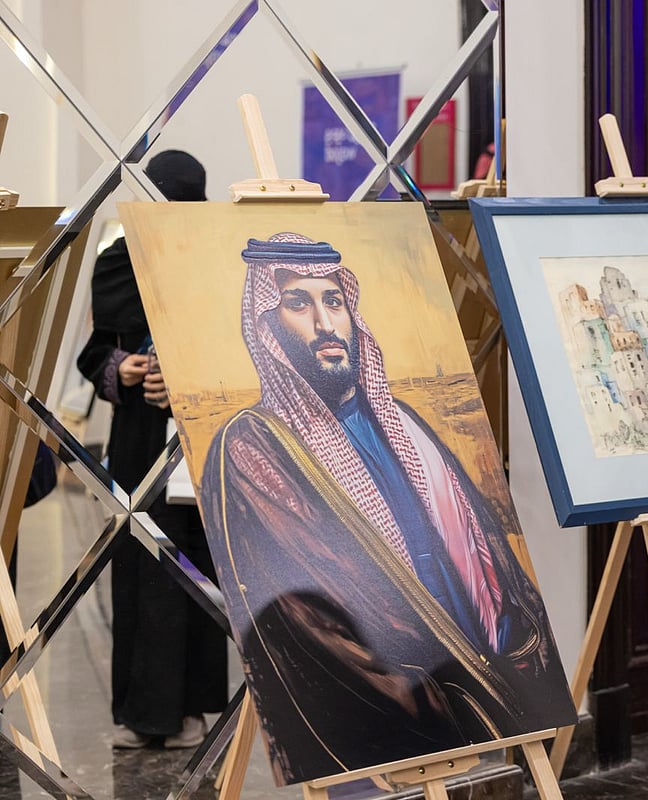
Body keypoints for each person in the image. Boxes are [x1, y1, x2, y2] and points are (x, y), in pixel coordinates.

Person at [199, 233, 573, 784]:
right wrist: (430, 705)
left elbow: (488, 560)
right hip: (388, 713)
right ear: (268, 325)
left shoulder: (404, 422)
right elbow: (304, 618)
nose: (325, 323)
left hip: (477, 674)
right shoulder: (255, 447)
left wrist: (515, 660)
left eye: (334, 301)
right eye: (298, 303)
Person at [76, 149, 227, 749]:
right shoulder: (118, 262)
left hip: (194, 440)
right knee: (139, 571)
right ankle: (143, 716)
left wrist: (186, 379)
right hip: (138, 442)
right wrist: (123, 368)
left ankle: (188, 712)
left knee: (189, 569)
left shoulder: (214, 265)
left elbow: (234, 349)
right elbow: (94, 353)